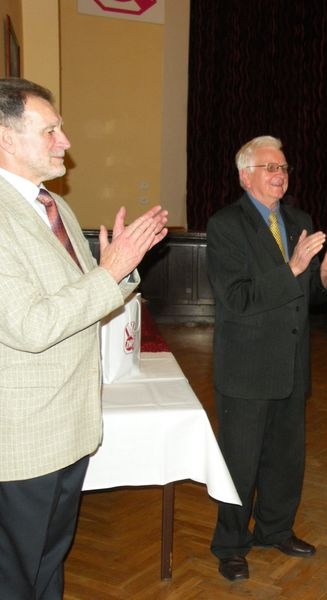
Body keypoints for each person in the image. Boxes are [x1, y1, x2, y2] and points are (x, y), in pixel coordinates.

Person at [0, 78, 169, 599]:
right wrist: (109, 271)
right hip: (23, 437)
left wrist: (121, 267)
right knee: (14, 576)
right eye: (50, 130)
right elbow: (30, 327)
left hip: (67, 423)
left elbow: (82, 294)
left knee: (48, 565)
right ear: (5, 137)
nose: (66, 141)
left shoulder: (52, 205)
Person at [206, 135, 327, 581]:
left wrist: (324, 272)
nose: (280, 175)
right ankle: (231, 545)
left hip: (291, 364)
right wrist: (292, 268)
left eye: (284, 168)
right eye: (270, 167)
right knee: (240, 463)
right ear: (245, 176)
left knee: (285, 459)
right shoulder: (226, 225)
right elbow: (236, 298)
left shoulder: (298, 220)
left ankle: (275, 529)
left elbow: (304, 297)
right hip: (246, 368)